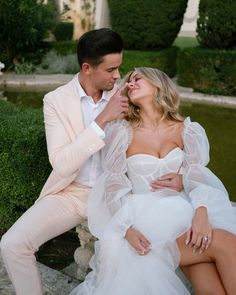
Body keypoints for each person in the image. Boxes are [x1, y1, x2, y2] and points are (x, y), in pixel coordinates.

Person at [0, 30, 181, 295]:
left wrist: (183, 175)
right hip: (70, 193)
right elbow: (61, 163)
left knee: (143, 256)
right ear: (87, 68)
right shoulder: (56, 101)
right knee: (12, 244)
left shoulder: (128, 96)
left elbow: (168, 130)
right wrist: (102, 121)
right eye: (111, 70)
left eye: (119, 67)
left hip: (117, 196)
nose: (118, 76)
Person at [70, 67, 236, 295]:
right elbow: (113, 186)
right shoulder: (122, 133)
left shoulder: (187, 129)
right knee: (228, 243)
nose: (131, 82)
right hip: (148, 224)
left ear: (158, 84)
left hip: (185, 212)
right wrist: (126, 228)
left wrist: (200, 209)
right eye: (129, 81)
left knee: (210, 281)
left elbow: (198, 175)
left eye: (138, 78)